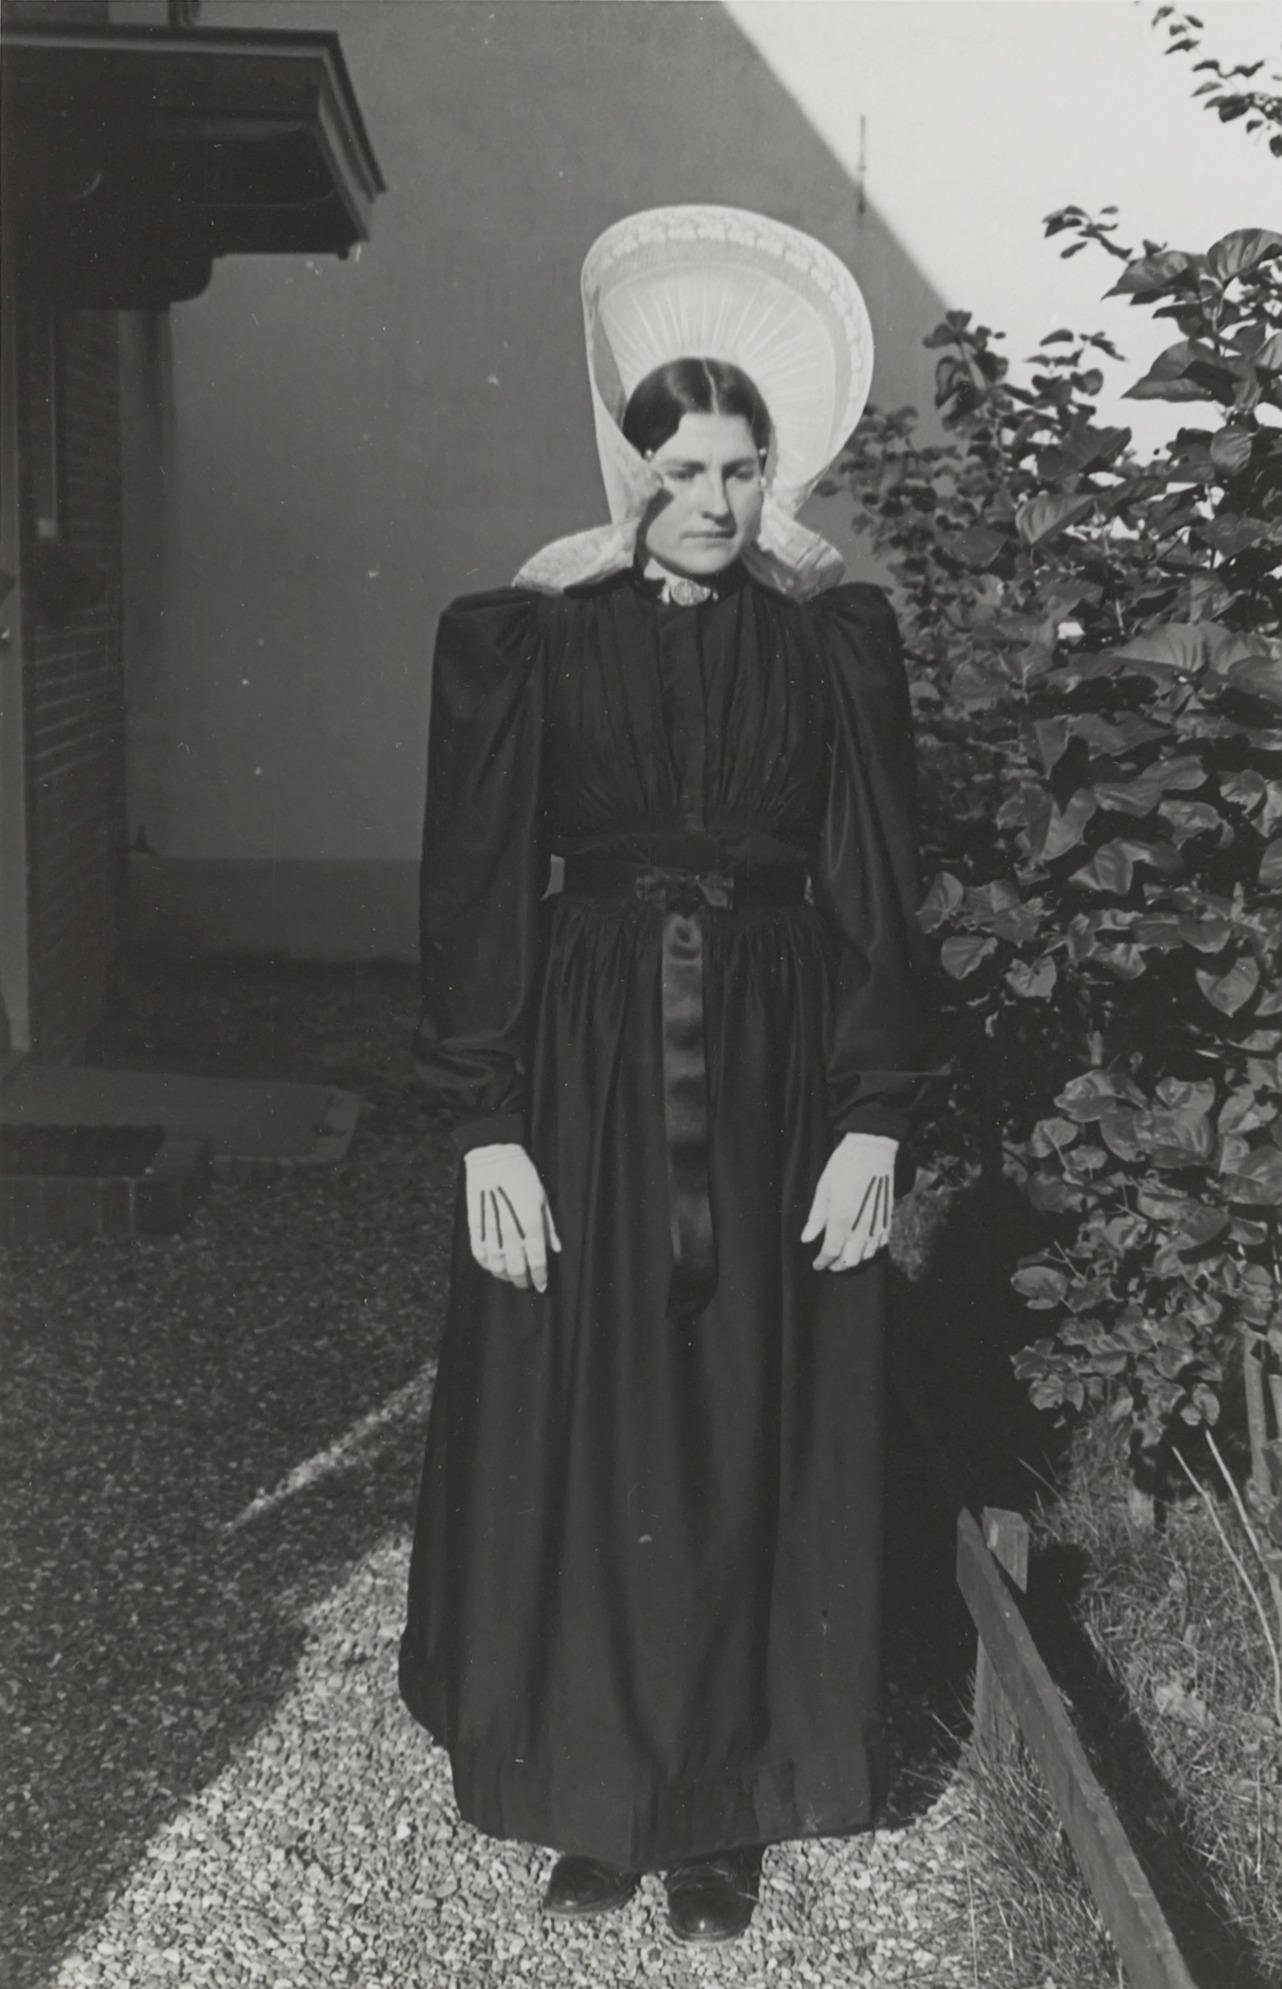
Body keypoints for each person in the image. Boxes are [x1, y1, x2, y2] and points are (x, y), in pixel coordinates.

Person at [400, 205, 934, 1945]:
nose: (711, 496)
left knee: (748, 1417)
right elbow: (478, 886)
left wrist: (872, 1117)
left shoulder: (830, 644)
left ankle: (725, 1815)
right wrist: (488, 1123)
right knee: (597, 1417)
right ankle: (600, 1799)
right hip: (588, 1068)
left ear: (776, 472)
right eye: (680, 465)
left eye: (739, 466)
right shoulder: (536, 640)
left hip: (778, 1069)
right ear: (626, 469)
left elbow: (874, 886)